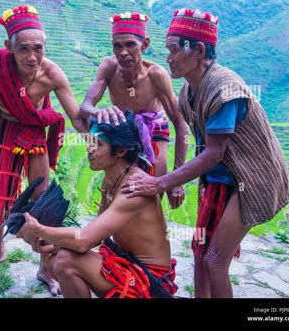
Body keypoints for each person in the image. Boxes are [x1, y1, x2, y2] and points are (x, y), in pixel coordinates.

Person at [121, 8, 289, 298]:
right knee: (200, 250)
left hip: (253, 180)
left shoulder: (225, 90)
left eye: (174, 49)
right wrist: (202, 183)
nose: (168, 58)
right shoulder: (189, 90)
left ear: (198, 50)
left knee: (214, 260)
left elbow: (213, 153)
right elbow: (198, 140)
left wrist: (163, 182)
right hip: (223, 179)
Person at [0, 5, 85, 295]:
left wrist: (105, 131)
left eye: (38, 48)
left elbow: (77, 119)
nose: (32, 57)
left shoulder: (53, 74)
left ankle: (46, 269)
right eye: (23, 49)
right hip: (4, 130)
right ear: (9, 47)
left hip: (34, 134)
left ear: (45, 46)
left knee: (42, 197)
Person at [17, 111, 178, 298]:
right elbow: (94, 237)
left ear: (120, 151)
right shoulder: (110, 180)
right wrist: (52, 241)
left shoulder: (134, 189)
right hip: (125, 261)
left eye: (98, 144)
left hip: (148, 280)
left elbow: (84, 239)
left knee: (64, 261)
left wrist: (39, 230)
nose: (89, 149)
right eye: (90, 142)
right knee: (57, 258)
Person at [79, 12, 188, 209]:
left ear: (144, 45)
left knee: (152, 193)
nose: (122, 52)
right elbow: (85, 106)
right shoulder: (109, 66)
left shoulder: (156, 75)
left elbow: (180, 124)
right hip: (124, 133)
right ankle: (105, 236)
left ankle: (148, 236)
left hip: (154, 134)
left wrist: (177, 180)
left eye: (130, 44)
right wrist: (98, 113)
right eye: (117, 46)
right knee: (110, 195)